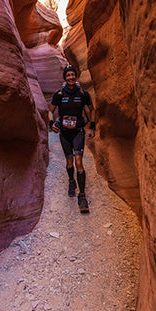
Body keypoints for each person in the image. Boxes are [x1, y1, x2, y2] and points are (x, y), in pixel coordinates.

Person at [48, 65, 96, 213]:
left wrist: (92, 126)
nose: (71, 77)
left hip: (77, 132)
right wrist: (51, 123)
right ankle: (71, 181)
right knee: (69, 161)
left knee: (79, 161)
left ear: (76, 77)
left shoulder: (82, 93)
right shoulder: (59, 94)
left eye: (72, 75)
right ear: (65, 77)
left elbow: (91, 109)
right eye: (68, 75)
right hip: (64, 133)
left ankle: (82, 197)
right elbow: (50, 111)